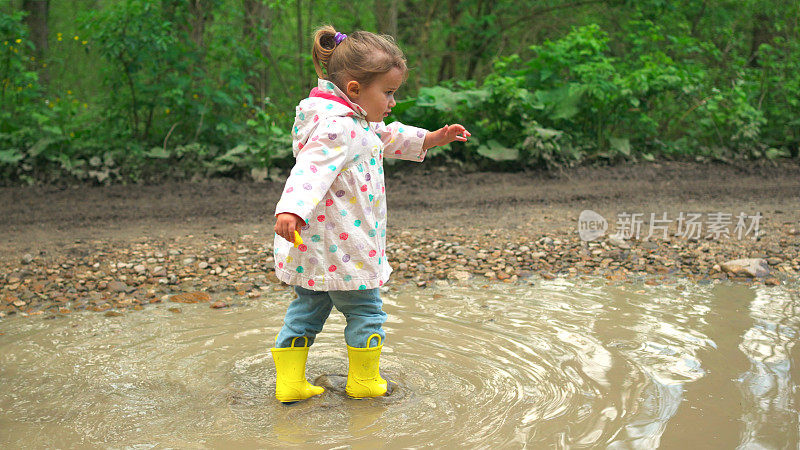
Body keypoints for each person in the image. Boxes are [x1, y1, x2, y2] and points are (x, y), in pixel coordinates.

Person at [271, 25, 470, 404]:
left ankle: (291, 385)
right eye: (389, 92)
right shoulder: (337, 127)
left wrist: (431, 138)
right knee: (367, 313)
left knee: (305, 313)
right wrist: (291, 209)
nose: (393, 102)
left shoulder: (354, 122)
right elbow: (310, 170)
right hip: (346, 251)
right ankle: (363, 382)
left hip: (315, 251)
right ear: (356, 89)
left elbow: (387, 136)